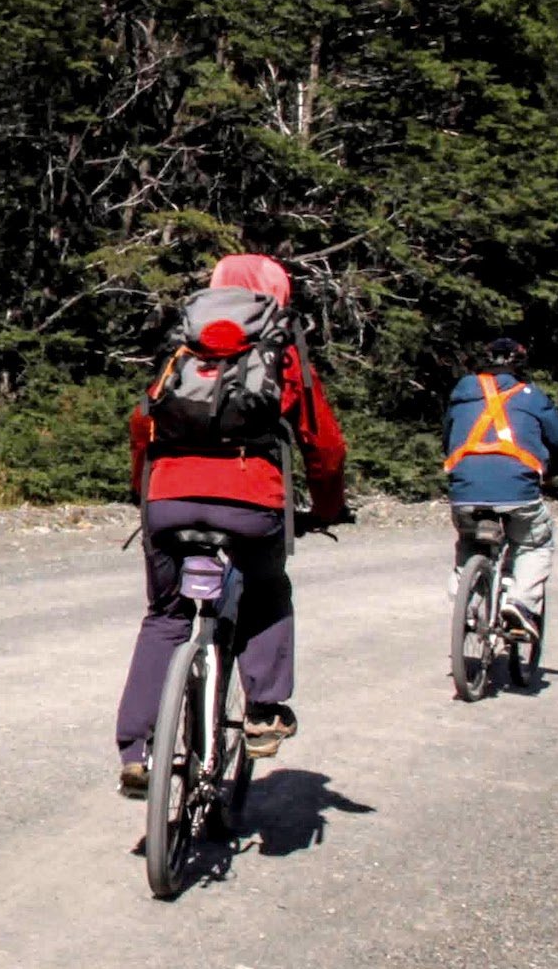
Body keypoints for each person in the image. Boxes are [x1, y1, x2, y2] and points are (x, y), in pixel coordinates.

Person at [115, 254, 351, 799]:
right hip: (250, 502)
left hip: (167, 497)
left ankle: (137, 750)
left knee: (166, 615)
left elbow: (141, 420)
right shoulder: (278, 342)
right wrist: (328, 507)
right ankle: (264, 710)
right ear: (278, 290)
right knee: (266, 592)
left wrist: (142, 492)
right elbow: (324, 444)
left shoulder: (185, 339)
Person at [442, 336, 558, 637]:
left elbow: (448, 439)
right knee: (535, 542)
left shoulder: (462, 392)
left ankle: (466, 608)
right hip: (517, 492)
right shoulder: (532, 396)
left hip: (465, 490)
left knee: (470, 543)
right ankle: (520, 605)